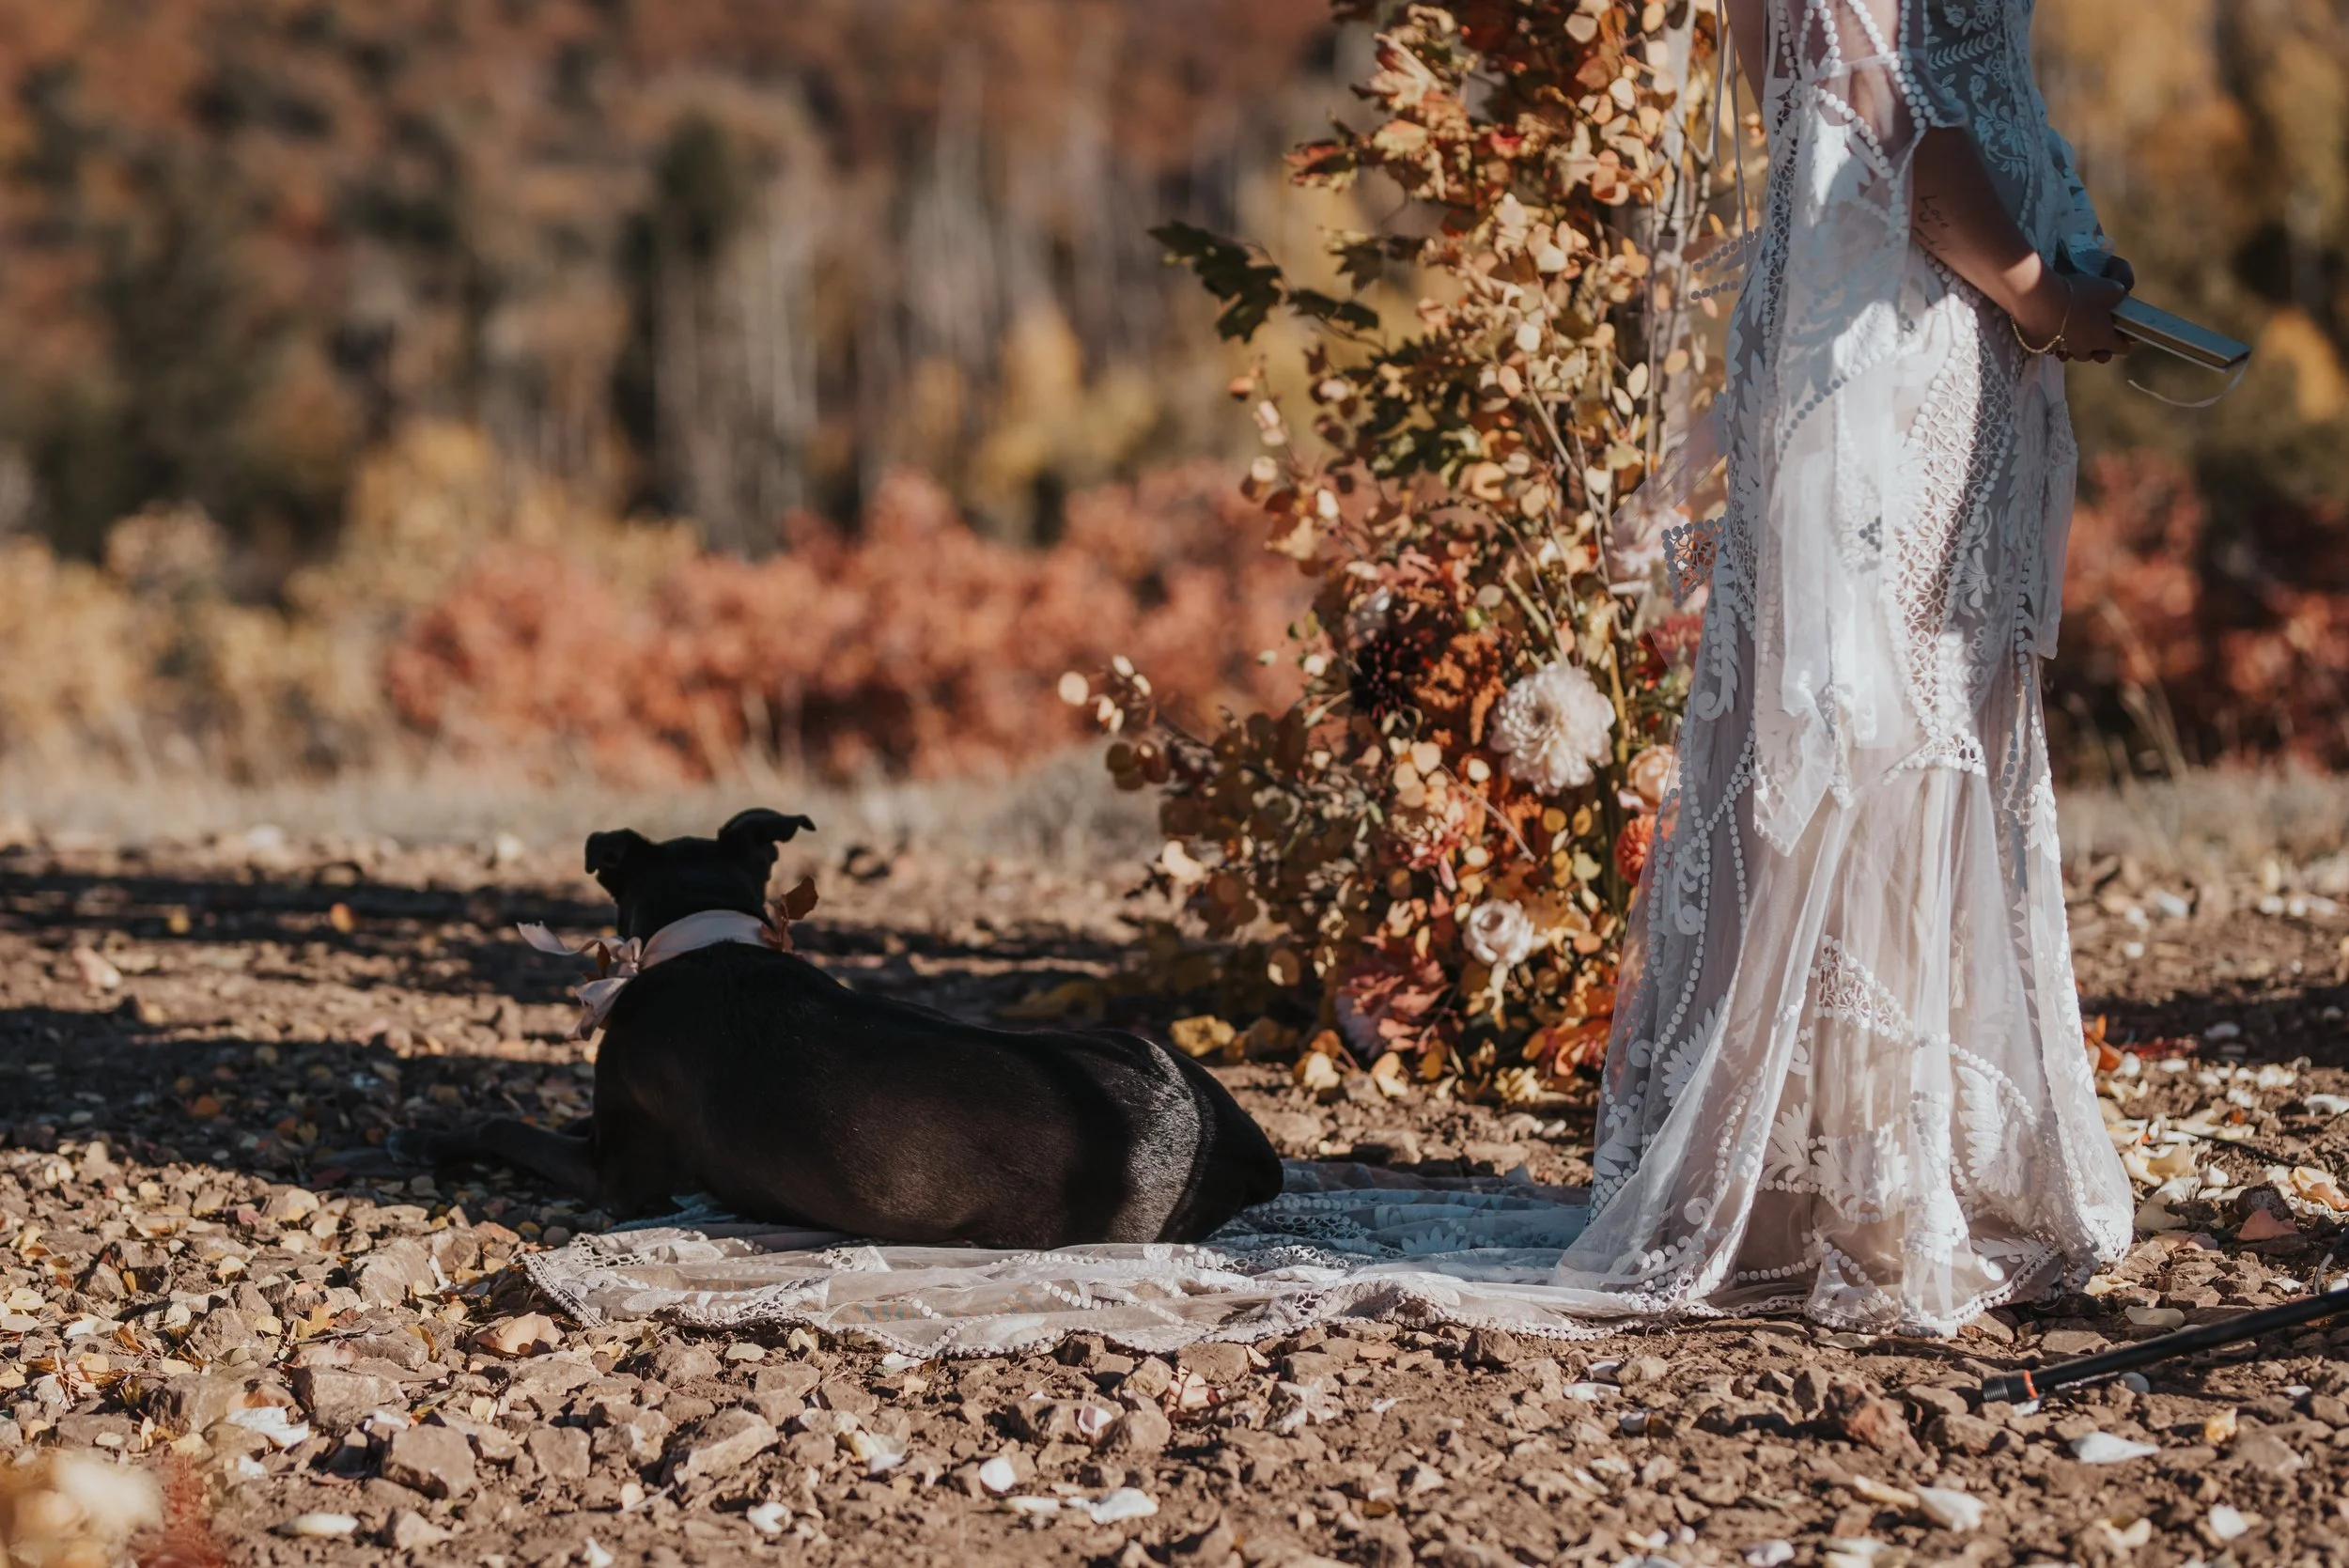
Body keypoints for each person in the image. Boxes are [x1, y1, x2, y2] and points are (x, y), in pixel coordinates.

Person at [1548, 0, 2138, 1331]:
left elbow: (1935, 95)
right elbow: (1898, 130)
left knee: (1894, 707)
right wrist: (2043, 293)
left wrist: (2070, 239)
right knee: (1894, 703)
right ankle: (1867, 1183)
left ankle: (1838, 1162)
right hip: (1908, 329)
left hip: (1892, 314)